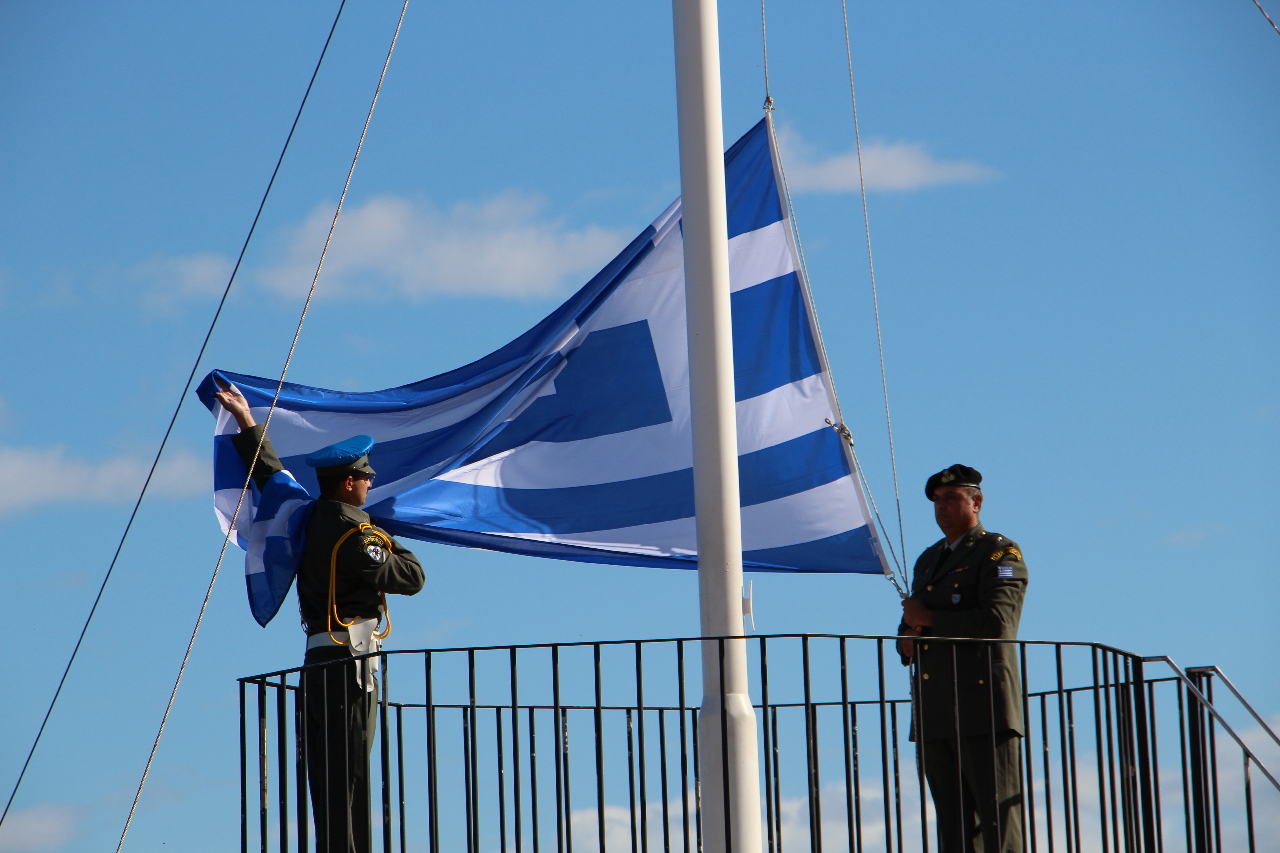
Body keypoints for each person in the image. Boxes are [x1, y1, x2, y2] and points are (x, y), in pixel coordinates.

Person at [215, 382, 425, 853]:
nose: (370, 484)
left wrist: (247, 422)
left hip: (317, 662)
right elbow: (411, 577)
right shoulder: (356, 533)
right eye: (366, 478)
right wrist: (387, 533)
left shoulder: (303, 515)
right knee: (350, 773)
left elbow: (271, 475)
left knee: (325, 774)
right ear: (349, 482)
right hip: (350, 665)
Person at [897, 464, 1028, 853]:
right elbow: (909, 624)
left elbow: (999, 623)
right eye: (937, 501)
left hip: (982, 705)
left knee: (997, 819)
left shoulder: (998, 551)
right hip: (936, 709)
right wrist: (906, 641)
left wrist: (929, 620)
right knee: (952, 826)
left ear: (976, 502)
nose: (942, 507)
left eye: (951, 499)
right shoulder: (928, 560)